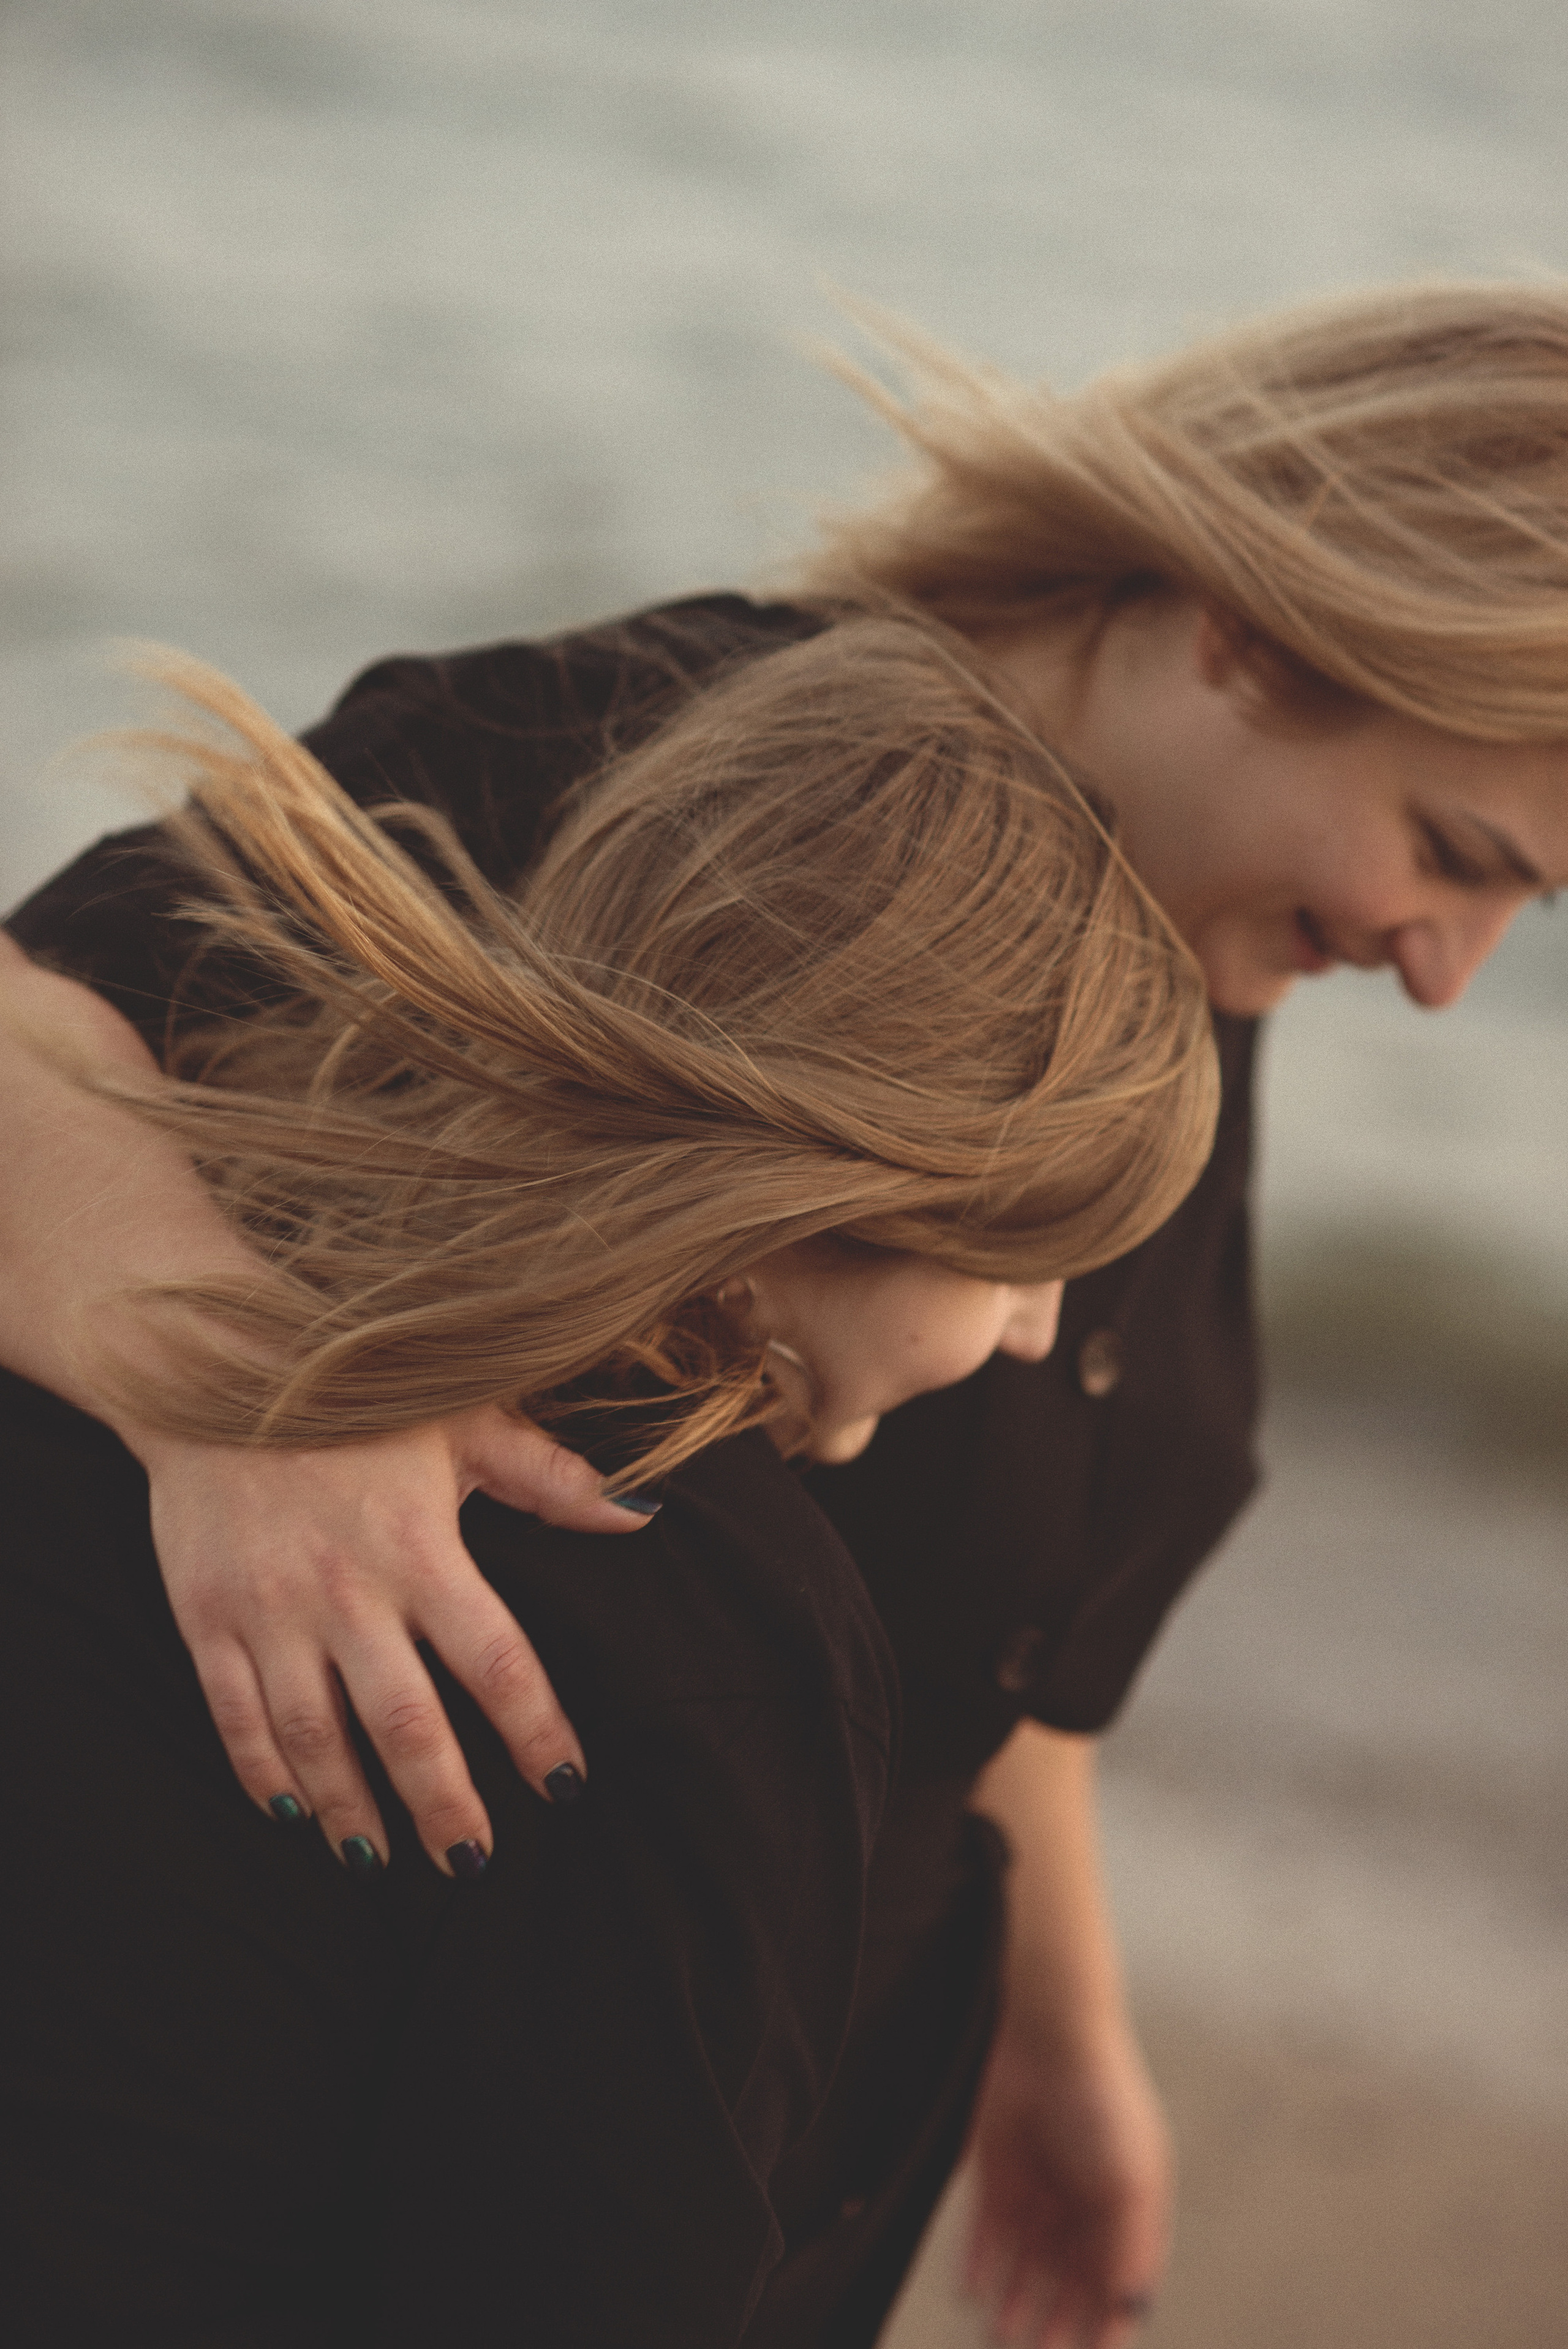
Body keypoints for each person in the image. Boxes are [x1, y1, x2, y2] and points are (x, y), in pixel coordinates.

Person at [4, 278, 1567, 2344]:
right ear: (1254, 631)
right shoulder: (677, 764)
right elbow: (37, 1019)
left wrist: (1058, 2036)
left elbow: (1000, 1614)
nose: (1447, 967)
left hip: (772, 2128)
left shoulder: (1200, 941)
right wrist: (239, 1391)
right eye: (1451, 856)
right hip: (421, 2134)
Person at [2, 617, 1215, 2346]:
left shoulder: (92, 1309)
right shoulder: (703, 1634)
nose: (1031, 1339)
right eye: (1026, 1258)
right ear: (835, 1181)